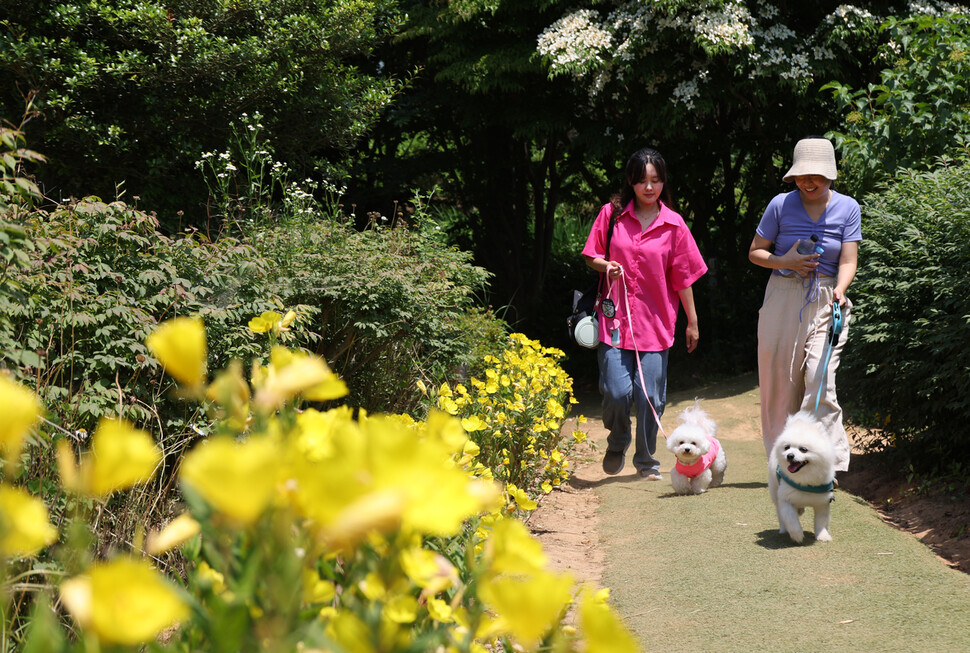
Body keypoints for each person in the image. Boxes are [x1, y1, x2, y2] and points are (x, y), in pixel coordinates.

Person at [582, 147, 708, 479]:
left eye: (655, 180)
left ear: (663, 182)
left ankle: (647, 461)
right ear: (631, 182)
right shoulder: (611, 214)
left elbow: (684, 278)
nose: (648, 188)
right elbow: (591, 255)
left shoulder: (675, 225)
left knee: (651, 396)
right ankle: (618, 439)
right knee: (616, 391)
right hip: (615, 321)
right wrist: (605, 265)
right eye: (641, 181)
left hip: (656, 324)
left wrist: (692, 321)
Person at [748, 136, 861, 472]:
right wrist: (787, 261)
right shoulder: (780, 205)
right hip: (783, 294)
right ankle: (785, 461)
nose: (808, 182)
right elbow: (755, 252)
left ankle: (831, 462)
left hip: (829, 299)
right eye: (802, 176)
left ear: (830, 175)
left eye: (816, 176)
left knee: (819, 377)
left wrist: (841, 288)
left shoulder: (848, 207)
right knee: (779, 384)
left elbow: (848, 259)